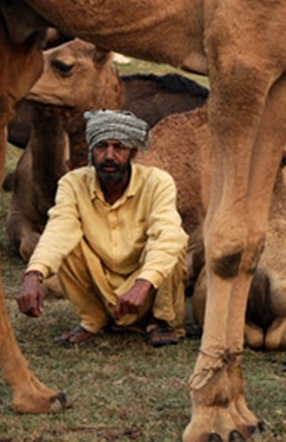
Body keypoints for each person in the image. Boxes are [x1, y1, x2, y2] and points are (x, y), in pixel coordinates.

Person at [17, 109, 188, 347]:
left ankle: (161, 321)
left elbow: (167, 235)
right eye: (101, 147)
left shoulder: (157, 182)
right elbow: (59, 230)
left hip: (146, 290)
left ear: (133, 153)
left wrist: (143, 283)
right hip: (100, 283)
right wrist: (33, 274)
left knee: (173, 242)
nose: (109, 155)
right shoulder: (73, 183)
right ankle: (93, 320)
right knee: (65, 242)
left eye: (118, 147)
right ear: (91, 151)